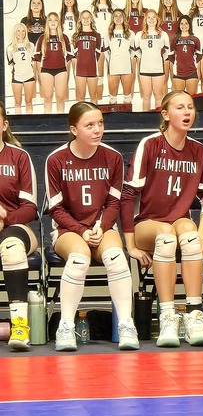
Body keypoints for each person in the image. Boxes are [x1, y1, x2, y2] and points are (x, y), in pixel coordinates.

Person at [121, 90, 203, 348]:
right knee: (165, 234)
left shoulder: (198, 150)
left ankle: (194, 314)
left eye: (190, 108)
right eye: (180, 108)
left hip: (177, 225)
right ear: (165, 114)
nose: (187, 113)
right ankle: (167, 316)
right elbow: (126, 196)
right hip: (146, 226)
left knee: (189, 234)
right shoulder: (150, 145)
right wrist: (130, 245)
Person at [45, 102, 140, 352]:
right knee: (79, 258)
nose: (97, 130)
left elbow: (114, 201)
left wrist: (101, 226)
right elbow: (55, 209)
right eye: (89, 125)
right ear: (74, 129)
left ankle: (126, 324)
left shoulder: (113, 157)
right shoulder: (56, 160)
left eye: (100, 123)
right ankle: (65, 326)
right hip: (68, 230)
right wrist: (81, 230)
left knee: (116, 257)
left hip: (102, 226)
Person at [0, 104, 40, 351]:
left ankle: (19, 325)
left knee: (12, 247)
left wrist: (4, 218)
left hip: (15, 228)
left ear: (4, 126)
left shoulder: (18, 157)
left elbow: (30, 208)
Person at [33, 13, 72, 113]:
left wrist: (67, 72)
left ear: (58, 22)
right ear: (47, 23)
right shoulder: (42, 38)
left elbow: (69, 58)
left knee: (60, 98)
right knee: (48, 98)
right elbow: (37, 59)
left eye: (55, 20)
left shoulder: (64, 38)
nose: (53, 22)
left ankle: (61, 121)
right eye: (50, 20)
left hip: (61, 70)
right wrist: (38, 75)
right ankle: (47, 121)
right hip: (46, 70)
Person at [134, 9, 170, 111]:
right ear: (145, 20)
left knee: (158, 96)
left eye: (153, 17)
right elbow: (136, 51)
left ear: (157, 19)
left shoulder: (163, 34)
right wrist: (144, 57)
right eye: (149, 17)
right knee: (146, 97)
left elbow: (167, 51)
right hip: (144, 70)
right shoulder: (139, 34)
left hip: (158, 69)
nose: (151, 19)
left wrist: (161, 58)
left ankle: (158, 119)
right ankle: (145, 120)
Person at [72, 10, 103, 103]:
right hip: (80, 69)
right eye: (83, 18)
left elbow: (98, 53)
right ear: (80, 20)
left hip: (92, 69)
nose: (86, 19)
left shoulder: (97, 35)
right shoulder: (76, 36)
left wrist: (91, 61)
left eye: (88, 17)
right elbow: (75, 54)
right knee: (81, 98)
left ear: (91, 19)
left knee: (93, 97)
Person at [104, 9, 134, 105]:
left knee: (127, 97)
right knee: (113, 98)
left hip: (126, 66)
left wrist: (126, 58)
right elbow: (105, 51)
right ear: (112, 18)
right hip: (113, 67)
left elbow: (133, 50)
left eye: (120, 15)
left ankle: (128, 118)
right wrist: (112, 59)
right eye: (115, 16)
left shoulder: (130, 33)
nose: (118, 18)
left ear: (124, 18)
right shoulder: (108, 34)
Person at [6, 23, 36, 113]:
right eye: (18, 31)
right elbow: (10, 64)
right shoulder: (10, 48)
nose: (21, 33)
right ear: (15, 32)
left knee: (29, 102)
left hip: (29, 77)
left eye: (23, 31)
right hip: (17, 78)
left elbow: (33, 61)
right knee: (18, 102)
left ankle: (30, 122)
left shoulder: (30, 45)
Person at [90, 0, 113, 101]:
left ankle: (111, 99)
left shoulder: (113, 7)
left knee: (111, 74)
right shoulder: (92, 9)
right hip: (98, 44)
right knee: (99, 75)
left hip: (111, 43)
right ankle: (98, 101)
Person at [169, 15, 201, 95]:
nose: (184, 25)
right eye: (182, 23)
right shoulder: (175, 40)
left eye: (186, 23)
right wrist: (174, 70)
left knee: (192, 99)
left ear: (189, 25)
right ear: (179, 25)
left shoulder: (195, 40)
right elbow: (171, 57)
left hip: (192, 73)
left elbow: (199, 57)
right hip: (178, 74)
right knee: (179, 99)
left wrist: (196, 71)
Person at [125, 0, 145, 98]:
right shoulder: (124, 12)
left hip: (143, 49)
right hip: (130, 49)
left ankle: (144, 106)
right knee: (130, 78)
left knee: (142, 78)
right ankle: (130, 103)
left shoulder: (145, 11)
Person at [158, 0, 181, 89]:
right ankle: (164, 103)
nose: (168, 0)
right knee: (163, 80)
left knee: (175, 80)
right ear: (162, 0)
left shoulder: (179, 15)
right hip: (163, 51)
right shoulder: (158, 15)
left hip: (175, 51)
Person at [59, 0, 79, 97]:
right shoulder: (60, 15)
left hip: (76, 48)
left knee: (78, 76)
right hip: (64, 48)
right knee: (64, 78)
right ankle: (64, 103)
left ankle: (78, 101)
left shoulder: (79, 15)